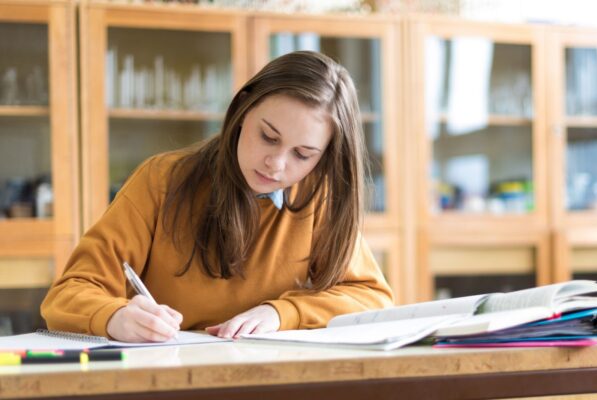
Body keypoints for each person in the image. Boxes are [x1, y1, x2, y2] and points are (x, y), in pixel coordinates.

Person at [41, 50, 394, 343]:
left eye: (303, 154)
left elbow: (372, 298)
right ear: (242, 111)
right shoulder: (161, 180)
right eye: (268, 136)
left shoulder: (318, 196)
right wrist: (114, 317)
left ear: (325, 156)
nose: (276, 164)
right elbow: (67, 294)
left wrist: (281, 313)